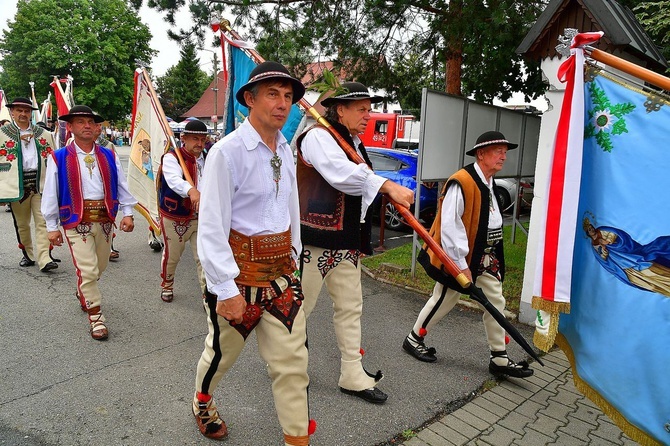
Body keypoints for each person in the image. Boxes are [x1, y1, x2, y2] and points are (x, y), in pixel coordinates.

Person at [193, 61, 313, 444]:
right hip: (237, 276)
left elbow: (290, 207)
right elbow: (211, 225)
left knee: (293, 364)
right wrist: (224, 289)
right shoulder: (226, 153)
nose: (283, 104)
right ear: (249, 99)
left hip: (280, 276)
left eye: (289, 96)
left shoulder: (287, 151)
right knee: (221, 354)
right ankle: (202, 402)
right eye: (273, 94)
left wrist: (295, 258)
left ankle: (297, 439)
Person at [296, 82, 414, 404]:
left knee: (350, 308)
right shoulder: (318, 137)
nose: (367, 115)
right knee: (299, 309)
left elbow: (358, 189)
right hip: (314, 240)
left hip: (346, 241)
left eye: (368, 108)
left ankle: (352, 372)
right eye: (361, 109)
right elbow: (340, 175)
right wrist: (387, 184)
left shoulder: (355, 143)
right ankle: (289, 367)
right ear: (340, 109)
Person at [403, 130, 533, 379]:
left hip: (485, 255)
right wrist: (460, 264)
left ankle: (499, 357)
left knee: (496, 302)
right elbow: (450, 225)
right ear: (481, 154)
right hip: (459, 256)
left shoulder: (489, 180)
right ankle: (413, 338)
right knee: (444, 299)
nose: (503, 157)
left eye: (505, 152)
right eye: (498, 151)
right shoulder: (462, 181)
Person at [41, 105, 137, 341]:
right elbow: (51, 193)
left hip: (105, 221)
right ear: (70, 127)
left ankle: (83, 289)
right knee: (88, 269)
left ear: (96, 128)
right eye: (80, 122)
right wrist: (52, 228)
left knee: (99, 267)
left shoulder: (108, 154)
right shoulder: (58, 157)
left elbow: (121, 185)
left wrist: (128, 212)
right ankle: (96, 318)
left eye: (90, 122)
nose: (86, 126)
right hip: (75, 220)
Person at [0, 97, 58, 271]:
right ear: (12, 112)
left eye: (26, 111)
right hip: (16, 185)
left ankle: (45, 258)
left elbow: (54, 161)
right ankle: (29, 254)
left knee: (43, 221)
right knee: (22, 224)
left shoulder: (45, 135)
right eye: (19, 110)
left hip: (41, 184)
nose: (23, 114)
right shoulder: (2, 134)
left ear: (31, 113)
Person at [157, 119, 207, 302]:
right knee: (172, 256)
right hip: (175, 215)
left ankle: (207, 294)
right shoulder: (172, 158)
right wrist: (191, 190)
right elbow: (174, 180)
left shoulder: (208, 157)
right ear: (183, 138)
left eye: (203, 139)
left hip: (201, 216)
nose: (199, 144)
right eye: (195, 139)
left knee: (204, 258)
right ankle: (167, 284)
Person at [583, 217, 670, 297]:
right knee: (646, 281)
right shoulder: (594, 245)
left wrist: (608, 241)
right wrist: (604, 250)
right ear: (588, 234)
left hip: (631, 257)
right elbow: (603, 258)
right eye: (589, 230)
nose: (592, 230)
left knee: (652, 270)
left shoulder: (601, 230)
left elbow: (616, 234)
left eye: (591, 227)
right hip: (622, 266)